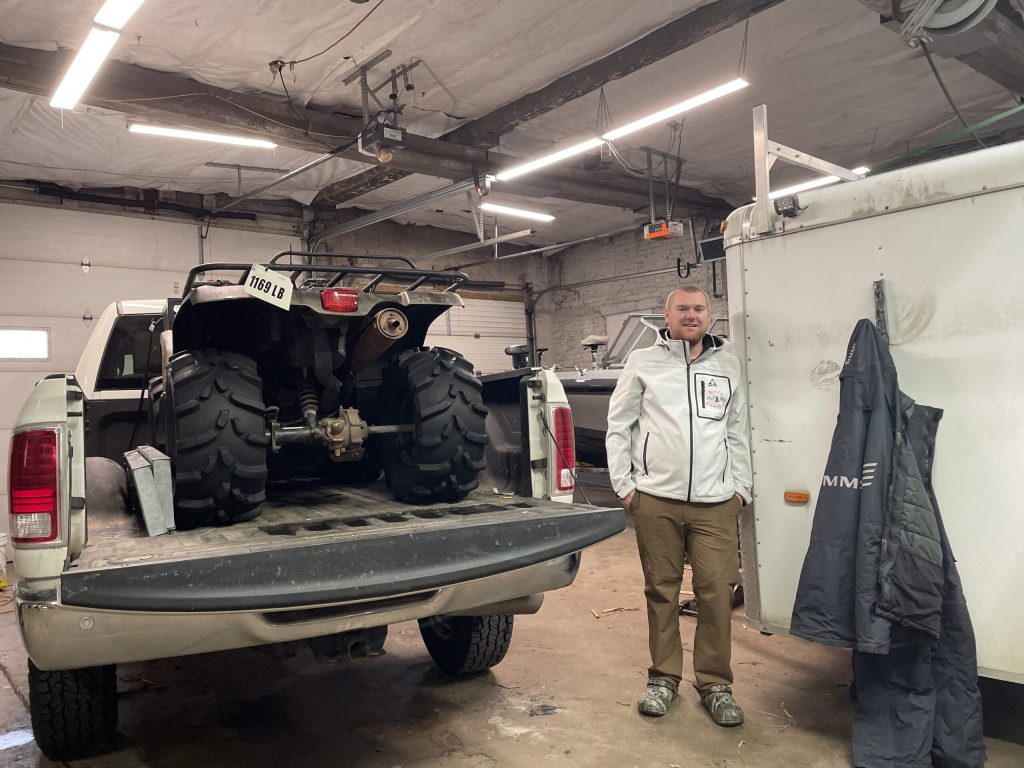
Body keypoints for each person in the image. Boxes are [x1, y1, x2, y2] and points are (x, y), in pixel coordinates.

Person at [605, 284, 752, 726]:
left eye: (699, 308)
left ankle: (715, 684)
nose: (691, 315)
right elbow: (620, 424)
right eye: (682, 308)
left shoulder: (727, 366)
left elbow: (736, 430)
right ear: (666, 316)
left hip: (715, 503)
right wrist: (625, 487)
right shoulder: (644, 361)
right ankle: (663, 678)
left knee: (715, 594)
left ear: (710, 315)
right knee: (662, 591)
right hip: (656, 501)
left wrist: (740, 489)